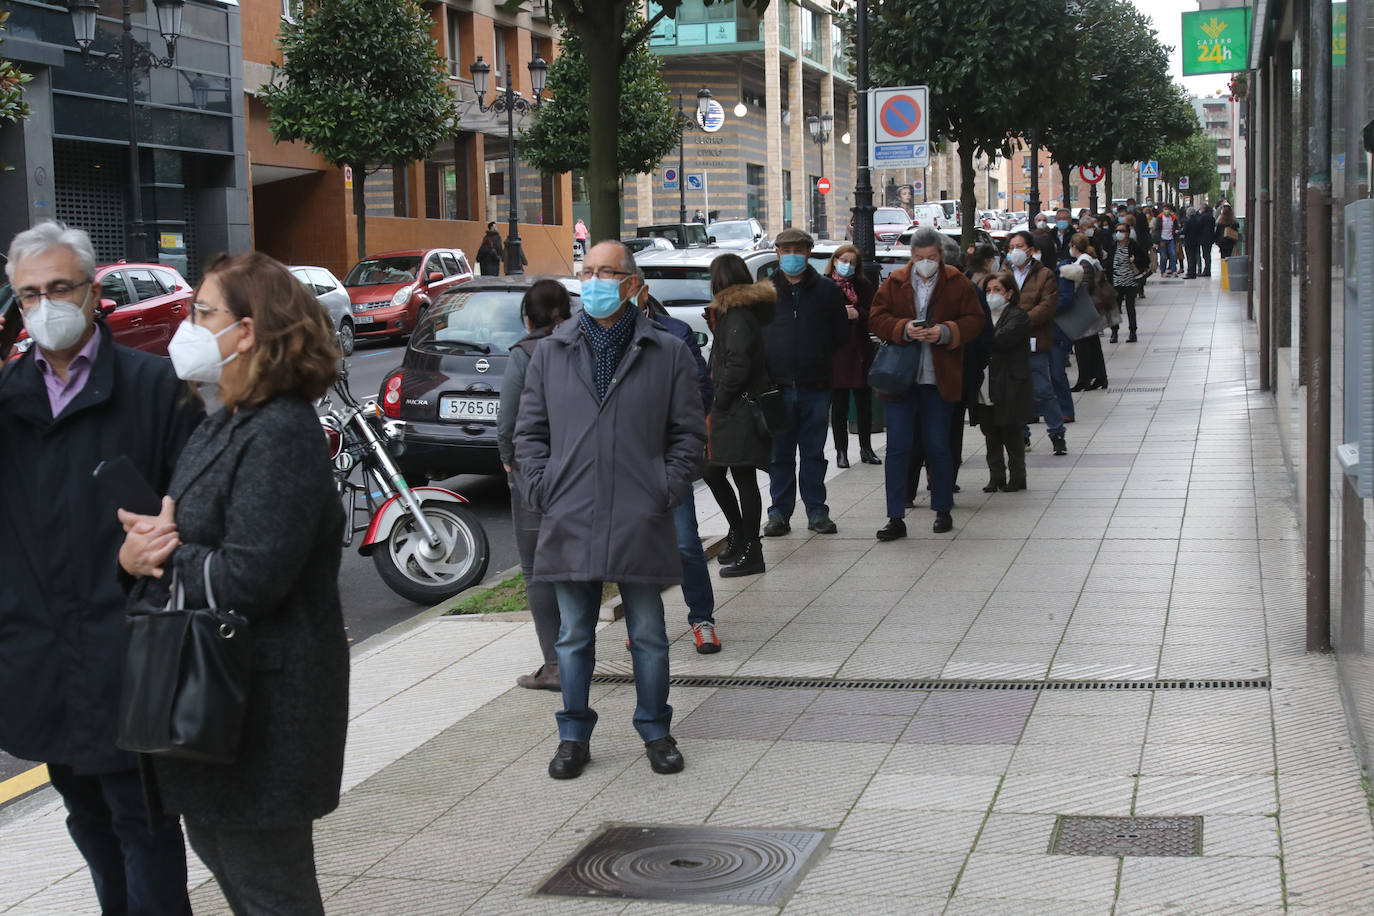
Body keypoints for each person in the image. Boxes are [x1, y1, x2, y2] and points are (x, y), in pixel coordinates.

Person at [117, 251, 347, 914]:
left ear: (247, 330)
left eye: (201, 313)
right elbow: (181, 531)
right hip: (212, 704)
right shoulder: (227, 419)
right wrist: (137, 553)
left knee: (272, 892)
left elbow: (251, 575)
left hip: (261, 715)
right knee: (240, 876)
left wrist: (166, 554)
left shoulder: (279, 432)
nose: (186, 326)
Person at [0, 222, 203, 916]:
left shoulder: (153, 386)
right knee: (85, 817)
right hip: (42, 653)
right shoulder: (8, 401)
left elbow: (200, 507)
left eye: (59, 287)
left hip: (132, 647)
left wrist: (157, 545)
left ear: (92, 293)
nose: (45, 304)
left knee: (142, 822)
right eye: (28, 294)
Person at [514, 240, 705, 781]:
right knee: (573, 635)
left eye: (608, 272)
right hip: (569, 513)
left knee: (647, 632)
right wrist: (543, 487)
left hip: (639, 514)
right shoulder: (551, 351)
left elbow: (689, 434)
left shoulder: (666, 352)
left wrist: (662, 487)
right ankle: (572, 735)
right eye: (588, 270)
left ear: (632, 284)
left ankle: (656, 730)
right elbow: (528, 435)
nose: (594, 281)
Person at [868, 227, 984, 538]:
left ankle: (942, 509)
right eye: (919, 258)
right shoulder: (895, 282)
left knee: (938, 445)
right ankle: (895, 517)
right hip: (900, 380)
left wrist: (945, 332)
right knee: (897, 448)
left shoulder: (958, 283)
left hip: (939, 378)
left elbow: (975, 320)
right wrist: (904, 328)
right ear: (911, 257)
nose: (925, 263)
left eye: (931, 257)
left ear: (942, 255)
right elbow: (877, 318)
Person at [633, 267, 720, 651]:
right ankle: (644, 626)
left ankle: (702, 618)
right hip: (624, 458)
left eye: (624, 286)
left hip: (669, 453)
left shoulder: (674, 332)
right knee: (636, 545)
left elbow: (701, 389)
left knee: (684, 541)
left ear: (641, 290)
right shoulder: (594, 337)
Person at [499, 280, 573, 690]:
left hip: (536, 476)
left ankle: (556, 666)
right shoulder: (588, 345)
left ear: (528, 317)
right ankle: (580, 654)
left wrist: (509, 462)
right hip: (583, 471)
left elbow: (507, 423)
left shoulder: (525, 354)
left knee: (537, 570)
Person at [760, 227, 849, 537]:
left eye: (798, 250)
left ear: (809, 253)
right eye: (786, 251)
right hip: (777, 387)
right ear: (778, 254)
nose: (792, 256)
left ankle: (817, 512)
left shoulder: (827, 290)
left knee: (813, 453)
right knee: (780, 455)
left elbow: (841, 335)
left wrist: (818, 357)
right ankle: (779, 513)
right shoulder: (765, 291)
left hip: (815, 386)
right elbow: (757, 337)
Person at [701, 254, 777, 578]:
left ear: (722, 281)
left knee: (741, 478)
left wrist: (718, 400)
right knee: (714, 472)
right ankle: (740, 536)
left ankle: (751, 550)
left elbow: (737, 364)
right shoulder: (732, 313)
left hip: (737, 410)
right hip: (733, 410)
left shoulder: (738, 315)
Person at [1005, 230, 1067, 456]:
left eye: (1019, 246)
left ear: (1030, 250)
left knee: (1042, 390)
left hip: (1034, 341)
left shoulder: (1045, 275)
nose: (1015, 252)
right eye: (1011, 247)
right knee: (1014, 392)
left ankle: (1057, 433)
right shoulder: (1005, 273)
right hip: (1010, 343)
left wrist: (1020, 322)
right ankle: (1022, 435)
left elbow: (1047, 305)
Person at [976, 271, 1032, 492]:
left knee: (1010, 432)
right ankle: (996, 476)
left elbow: (1001, 340)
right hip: (985, 383)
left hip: (1009, 383)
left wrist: (979, 338)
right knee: (990, 433)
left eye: (997, 290)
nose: (992, 295)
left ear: (1009, 293)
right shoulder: (982, 316)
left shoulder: (1017, 315)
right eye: (988, 290)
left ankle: (1018, 476)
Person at [824, 244, 879, 468]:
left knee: (864, 402)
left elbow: (874, 312)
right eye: (843, 260)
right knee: (839, 405)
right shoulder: (825, 284)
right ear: (835, 260)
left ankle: (866, 448)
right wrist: (840, 315)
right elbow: (819, 315)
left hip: (859, 350)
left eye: (852, 262)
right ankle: (841, 451)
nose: (847, 265)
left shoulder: (863, 285)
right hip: (836, 351)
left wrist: (859, 313)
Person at [1062, 233, 1109, 391]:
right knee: (1092, 344)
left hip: (1085, 310)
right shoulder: (1088, 260)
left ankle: (1085, 379)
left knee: (1083, 346)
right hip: (1091, 309)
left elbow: (1086, 286)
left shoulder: (1083, 263)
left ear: (1074, 247)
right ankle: (1099, 377)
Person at [1038, 232, 1075, 426]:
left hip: (1056, 331)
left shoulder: (1062, 272)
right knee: (1037, 372)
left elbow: (1064, 300)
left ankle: (1066, 409)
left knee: (1057, 371)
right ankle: (1036, 410)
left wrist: (1042, 308)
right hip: (1035, 331)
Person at [1106, 216, 1146, 343]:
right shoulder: (1112, 247)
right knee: (1115, 308)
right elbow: (1108, 263)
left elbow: (1145, 260)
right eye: (1117, 231)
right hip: (1115, 282)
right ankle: (1114, 332)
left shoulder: (1134, 246)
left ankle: (1132, 331)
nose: (1119, 233)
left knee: (1130, 307)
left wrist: (1135, 262)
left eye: (1122, 231)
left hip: (1130, 282)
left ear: (1128, 233)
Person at [1182, 205, 1203, 279]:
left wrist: (1177, 232)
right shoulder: (1198, 220)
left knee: (1190, 258)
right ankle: (1193, 272)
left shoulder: (1187, 221)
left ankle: (1190, 273)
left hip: (1188, 241)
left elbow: (1184, 231)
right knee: (1194, 257)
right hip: (1196, 241)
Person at [1197, 204, 1217, 276]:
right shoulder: (1211, 217)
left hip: (1204, 238)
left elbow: (1199, 226)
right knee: (1208, 254)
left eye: (1201, 208)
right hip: (1210, 238)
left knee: (1205, 255)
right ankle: (1207, 270)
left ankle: (1207, 271)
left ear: (1204, 209)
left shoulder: (1203, 217)